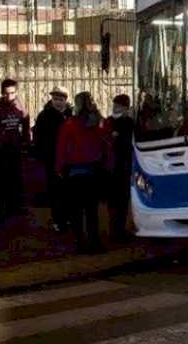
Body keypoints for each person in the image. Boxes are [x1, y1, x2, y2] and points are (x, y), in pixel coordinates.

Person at [55, 92, 112, 254]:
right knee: (92, 210)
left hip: (75, 172)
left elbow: (62, 148)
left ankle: (80, 243)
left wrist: (59, 168)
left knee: (76, 211)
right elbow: (106, 145)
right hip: (94, 171)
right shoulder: (99, 123)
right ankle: (95, 242)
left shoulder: (70, 124)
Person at [0, 78, 30, 217]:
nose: (10, 96)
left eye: (13, 93)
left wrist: (27, 141)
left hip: (15, 147)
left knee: (17, 178)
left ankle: (16, 206)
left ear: (16, 92)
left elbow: (25, 123)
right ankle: (1, 206)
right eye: (6, 93)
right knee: (1, 179)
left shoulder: (20, 106)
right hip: (0, 148)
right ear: (2, 93)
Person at [34, 86, 73, 233]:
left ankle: (68, 218)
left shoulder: (71, 114)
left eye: (61, 99)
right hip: (52, 158)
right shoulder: (44, 116)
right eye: (55, 99)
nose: (58, 102)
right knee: (55, 190)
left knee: (69, 190)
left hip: (70, 159)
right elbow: (39, 138)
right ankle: (58, 219)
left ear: (66, 100)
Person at [107, 94, 135, 242]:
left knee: (122, 200)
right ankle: (114, 230)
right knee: (114, 201)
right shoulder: (108, 121)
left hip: (123, 166)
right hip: (113, 167)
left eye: (119, 106)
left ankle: (120, 229)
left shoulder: (129, 122)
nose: (116, 108)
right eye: (115, 105)